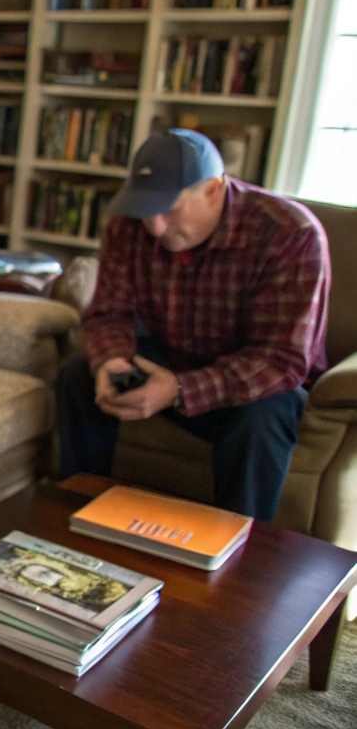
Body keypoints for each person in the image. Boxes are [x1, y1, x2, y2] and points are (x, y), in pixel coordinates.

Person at [57, 128, 330, 522]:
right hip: (171, 358)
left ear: (215, 190)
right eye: (146, 208)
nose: (155, 226)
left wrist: (181, 390)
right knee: (78, 378)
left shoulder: (290, 234)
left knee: (262, 419)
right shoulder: (129, 223)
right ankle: (80, 513)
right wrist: (111, 362)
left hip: (256, 385)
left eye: (169, 208)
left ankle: (239, 547)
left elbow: (282, 360)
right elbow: (109, 313)